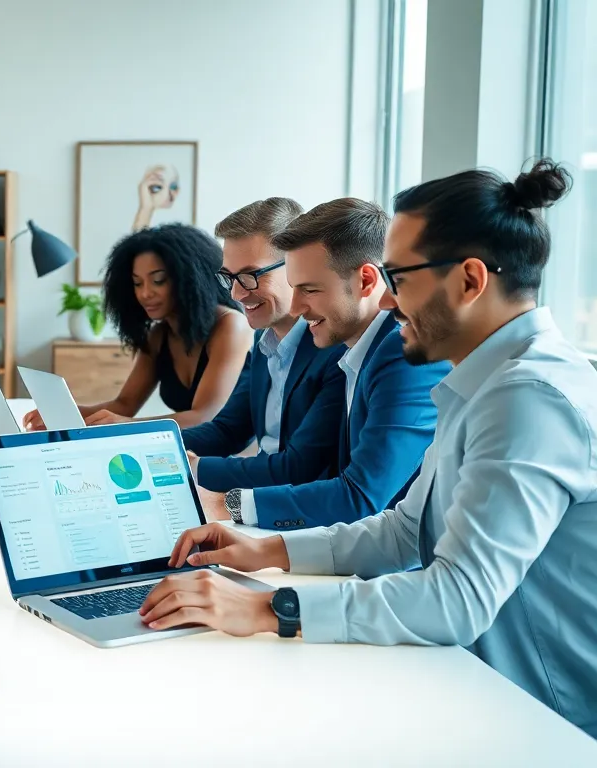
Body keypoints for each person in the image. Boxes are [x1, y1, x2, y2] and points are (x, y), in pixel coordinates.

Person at [137, 160, 597, 738]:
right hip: (475, 682)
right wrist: (265, 551)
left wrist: (263, 608)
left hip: (540, 719)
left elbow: (458, 597)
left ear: (470, 280)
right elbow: (405, 530)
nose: (384, 301)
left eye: (398, 278)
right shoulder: (485, 382)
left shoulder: (528, 398)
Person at [194, 198, 449, 530]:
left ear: (367, 281)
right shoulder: (356, 348)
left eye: (309, 289)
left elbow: (359, 498)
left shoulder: (404, 354)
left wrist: (225, 503)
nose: (298, 307)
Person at [181, 198, 347, 492]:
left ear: (295, 267)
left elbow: (298, 467)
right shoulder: (264, 340)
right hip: (260, 498)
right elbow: (228, 430)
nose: (236, 294)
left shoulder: (336, 348)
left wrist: (193, 467)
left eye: (250, 276)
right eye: (229, 278)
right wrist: (142, 438)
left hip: (300, 513)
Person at [22, 223, 251, 431]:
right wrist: (60, 415)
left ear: (188, 279)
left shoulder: (231, 325)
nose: (145, 293)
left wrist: (126, 425)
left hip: (231, 458)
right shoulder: (159, 335)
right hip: (190, 448)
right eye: (137, 283)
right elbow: (124, 405)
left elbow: (204, 416)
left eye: (158, 280)